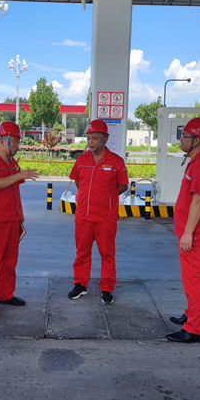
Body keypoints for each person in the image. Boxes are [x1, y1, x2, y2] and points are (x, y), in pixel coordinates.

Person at [0, 121, 39, 320]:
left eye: (18, 142)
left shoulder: (12, 163)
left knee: (9, 261)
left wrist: (20, 213)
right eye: (15, 142)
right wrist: (20, 174)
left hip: (12, 219)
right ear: (2, 141)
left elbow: (14, 189)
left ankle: (5, 294)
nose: (18, 145)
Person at [167, 117, 200, 343]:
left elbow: (198, 201)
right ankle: (191, 314)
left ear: (197, 140)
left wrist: (188, 233)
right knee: (190, 280)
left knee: (194, 280)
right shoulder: (197, 162)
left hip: (194, 235)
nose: (181, 140)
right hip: (189, 232)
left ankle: (195, 329)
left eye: (184, 136)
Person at [68, 119, 129, 304]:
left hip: (105, 218)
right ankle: (80, 284)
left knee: (107, 254)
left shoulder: (116, 161)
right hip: (83, 216)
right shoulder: (81, 160)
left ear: (104, 139)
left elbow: (123, 185)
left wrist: (106, 197)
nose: (90, 142)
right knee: (82, 253)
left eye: (94, 138)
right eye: (89, 138)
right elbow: (78, 181)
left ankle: (107, 288)